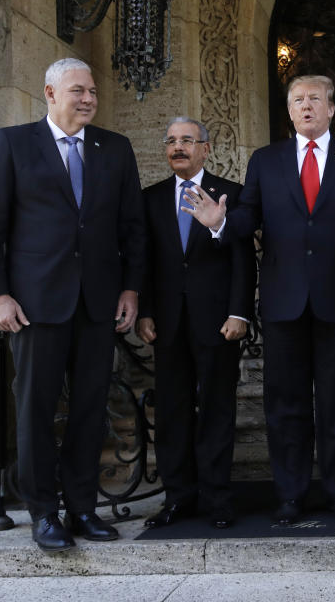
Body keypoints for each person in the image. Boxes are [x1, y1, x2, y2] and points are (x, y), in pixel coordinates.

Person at [180, 75, 335, 525]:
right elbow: (249, 216)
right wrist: (220, 223)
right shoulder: (266, 160)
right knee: (285, 405)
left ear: (332, 109)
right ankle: (291, 495)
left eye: (315, 99)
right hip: (282, 301)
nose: (307, 106)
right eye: (298, 101)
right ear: (290, 111)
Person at [0, 58, 145, 551]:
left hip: (97, 303)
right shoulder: (12, 143)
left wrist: (131, 288)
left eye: (92, 90)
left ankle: (84, 508)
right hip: (33, 304)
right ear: (50, 93)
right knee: (35, 410)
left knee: (91, 410)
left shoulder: (115, 148)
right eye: (77, 90)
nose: (88, 98)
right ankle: (44, 513)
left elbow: (132, 227)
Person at [137, 117, 256, 530]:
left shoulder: (232, 194)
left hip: (219, 321)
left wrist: (239, 312)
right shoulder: (149, 198)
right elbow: (144, 262)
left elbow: (243, 259)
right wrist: (146, 311)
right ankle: (178, 498)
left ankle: (217, 498)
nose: (178, 148)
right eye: (171, 141)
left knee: (217, 411)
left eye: (187, 140)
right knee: (171, 413)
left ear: (206, 148)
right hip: (167, 324)